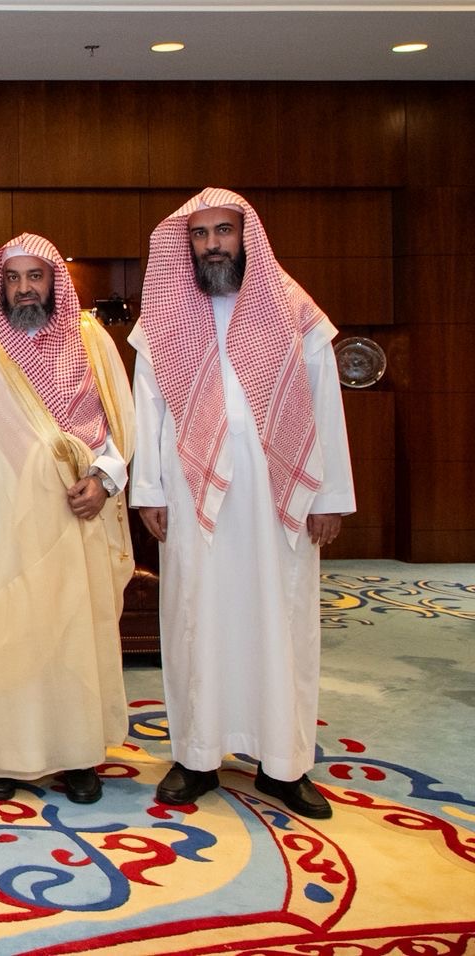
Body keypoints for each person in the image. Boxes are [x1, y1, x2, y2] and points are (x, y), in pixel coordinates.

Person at [132, 187, 355, 819]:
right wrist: (149, 489)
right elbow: (147, 407)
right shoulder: (165, 315)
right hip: (190, 489)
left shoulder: (293, 309)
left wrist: (329, 495)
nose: (212, 246)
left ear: (245, 235)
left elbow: (325, 402)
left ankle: (283, 764)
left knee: (280, 619)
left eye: (223, 231)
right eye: (200, 235)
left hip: (279, 494)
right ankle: (196, 755)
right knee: (195, 617)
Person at [0, 233, 134, 804]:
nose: (24, 289)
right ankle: (2, 753)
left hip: (75, 515)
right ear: (1, 284)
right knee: (4, 634)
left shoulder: (91, 340)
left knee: (73, 636)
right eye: (12, 278)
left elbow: (121, 421)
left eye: (35, 276)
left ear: (53, 281)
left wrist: (104, 480)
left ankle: (78, 755)